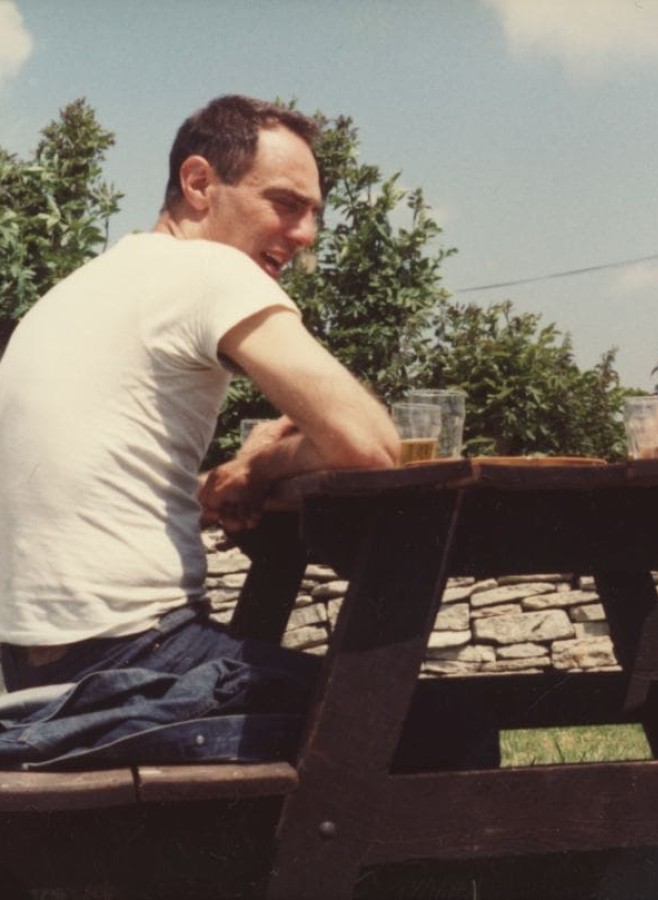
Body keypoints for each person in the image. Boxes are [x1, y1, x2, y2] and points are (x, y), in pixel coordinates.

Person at [0, 95, 401, 765]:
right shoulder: (210, 269)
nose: (305, 235)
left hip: (31, 674)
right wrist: (261, 468)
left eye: (314, 215)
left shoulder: (83, 286)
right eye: (286, 204)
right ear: (198, 184)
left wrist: (237, 472)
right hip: (131, 667)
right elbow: (374, 446)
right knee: (435, 724)